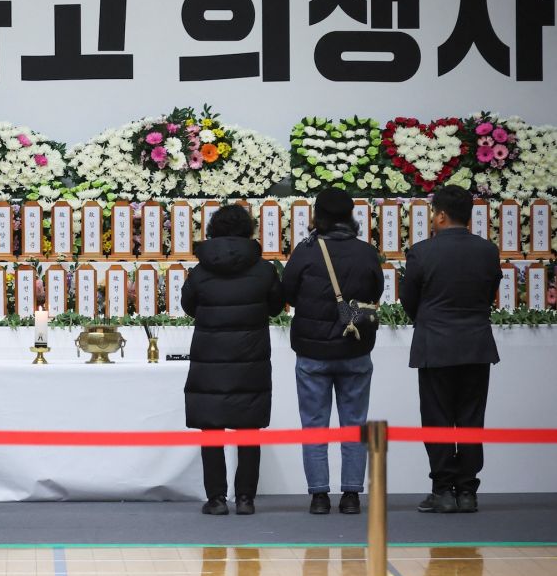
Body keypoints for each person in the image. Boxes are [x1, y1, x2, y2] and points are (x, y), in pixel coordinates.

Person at [282, 188, 383, 515]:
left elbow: (289, 294)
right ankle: (352, 495)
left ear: (318, 216)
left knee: (314, 423)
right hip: (355, 348)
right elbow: (376, 290)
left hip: (312, 351)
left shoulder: (306, 251)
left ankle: (319, 496)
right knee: (355, 423)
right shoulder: (366, 252)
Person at [401, 184, 501, 514]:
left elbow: (408, 300)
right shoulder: (487, 250)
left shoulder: (421, 252)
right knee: (472, 418)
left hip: (435, 345)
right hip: (475, 344)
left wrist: (428, 320)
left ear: (441, 215)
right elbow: (490, 294)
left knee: (437, 418)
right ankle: (468, 491)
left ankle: (443, 490)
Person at [181, 204, 284, 515]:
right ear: (248, 230)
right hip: (250, 358)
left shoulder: (200, 270)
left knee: (211, 431)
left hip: (209, 360)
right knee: (248, 429)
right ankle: (245, 499)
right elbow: (276, 307)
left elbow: (189, 307)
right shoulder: (264, 269)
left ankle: (215, 499)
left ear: (213, 229)